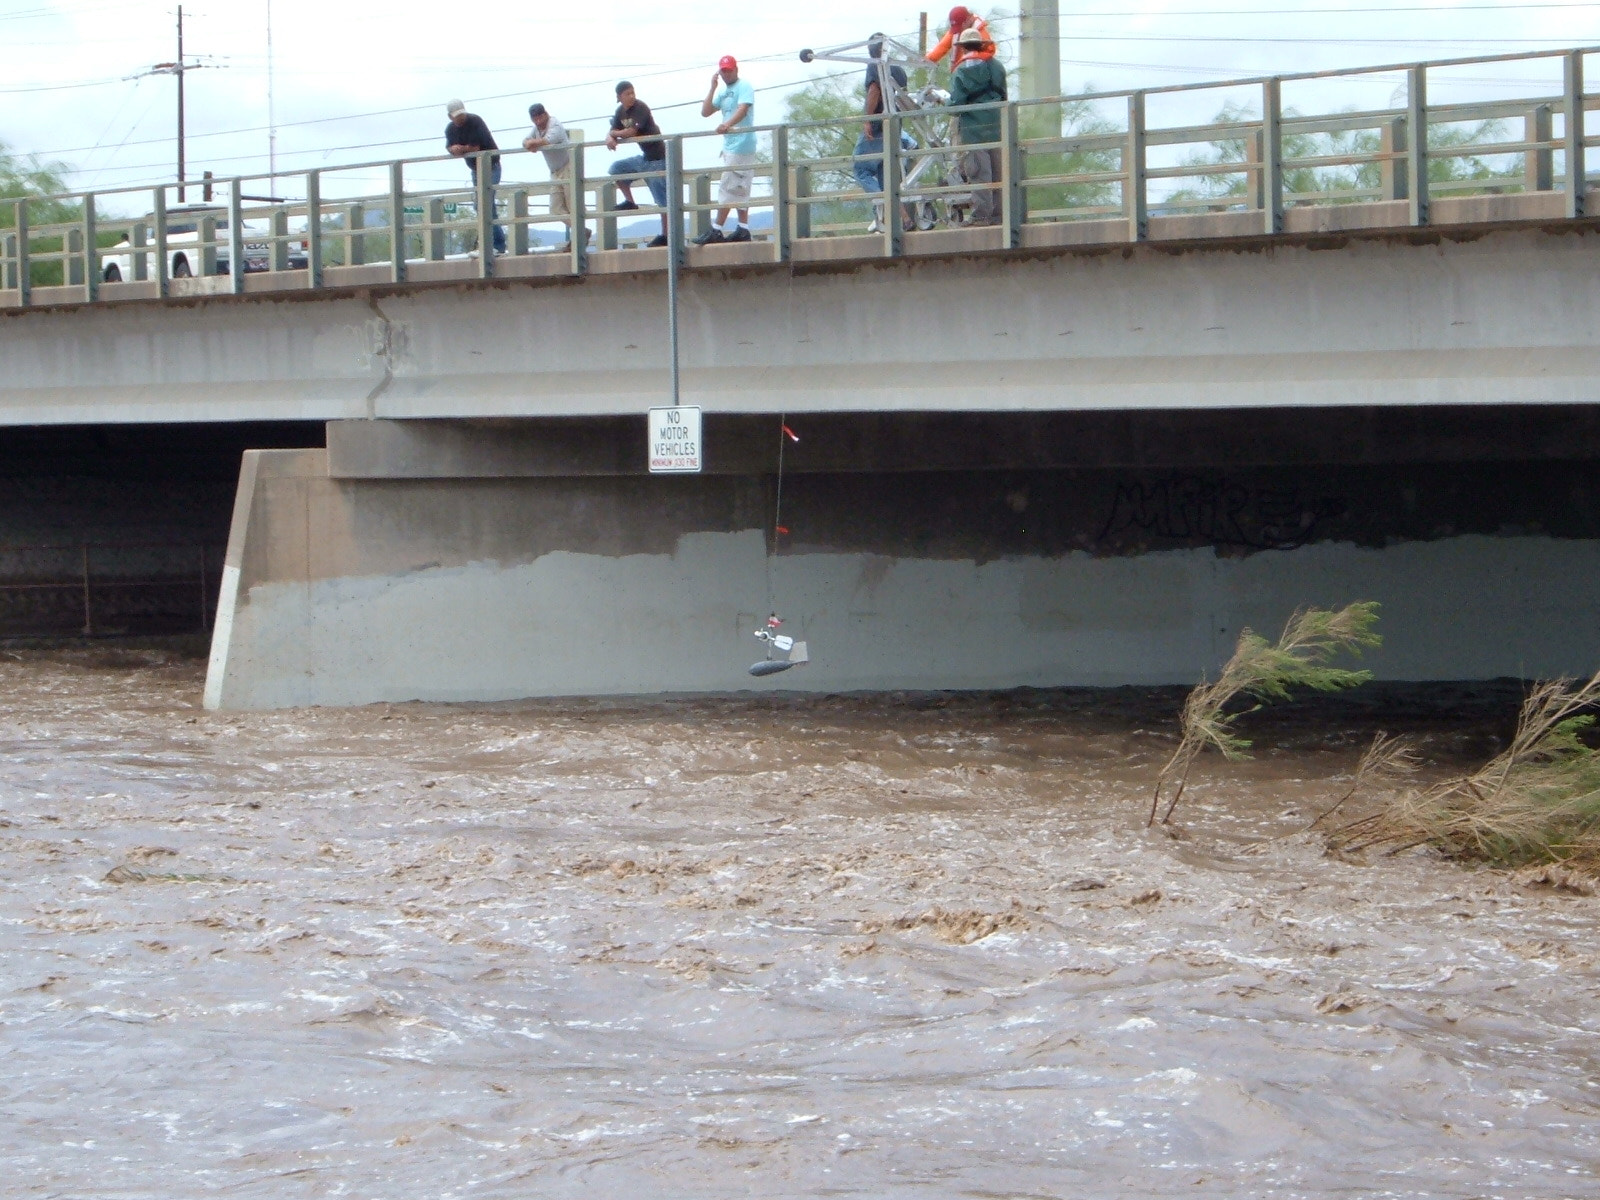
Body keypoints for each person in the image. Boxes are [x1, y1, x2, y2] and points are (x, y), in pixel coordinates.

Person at [851, 33, 916, 233]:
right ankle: (904, 218)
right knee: (886, 177)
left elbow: (874, 91)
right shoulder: (898, 70)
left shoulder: (875, 65)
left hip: (879, 126)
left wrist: (869, 119)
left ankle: (885, 210)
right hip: (895, 128)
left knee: (860, 168)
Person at [692, 55, 757, 244]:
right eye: (723, 71)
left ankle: (717, 229)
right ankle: (743, 228)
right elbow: (705, 112)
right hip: (729, 144)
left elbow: (743, 109)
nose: (726, 74)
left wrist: (727, 124)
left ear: (736, 69)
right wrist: (712, 87)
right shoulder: (723, 91)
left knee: (728, 185)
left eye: (729, 70)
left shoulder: (744, 86)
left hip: (742, 143)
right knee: (739, 186)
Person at [947, 25, 1007, 226]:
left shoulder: (961, 71)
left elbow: (954, 106)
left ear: (962, 47)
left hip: (974, 131)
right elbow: (1004, 95)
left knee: (979, 173)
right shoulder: (996, 66)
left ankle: (981, 216)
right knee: (999, 173)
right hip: (998, 127)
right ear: (982, 45)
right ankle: (1000, 216)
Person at [607, 81, 669, 248]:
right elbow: (612, 131)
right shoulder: (620, 111)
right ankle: (630, 201)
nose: (632, 96)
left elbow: (631, 132)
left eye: (633, 92)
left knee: (663, 201)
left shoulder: (641, 107)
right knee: (615, 169)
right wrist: (610, 136)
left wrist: (614, 133)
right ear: (619, 97)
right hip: (644, 158)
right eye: (627, 94)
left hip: (658, 158)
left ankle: (666, 235)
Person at [445, 99, 505, 255]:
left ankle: (495, 245)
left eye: (462, 114)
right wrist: (454, 149)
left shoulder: (475, 121)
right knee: (483, 206)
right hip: (475, 169)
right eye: (457, 116)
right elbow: (449, 147)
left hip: (491, 167)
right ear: (450, 117)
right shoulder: (450, 129)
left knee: (485, 204)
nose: (460, 118)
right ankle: (495, 244)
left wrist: (461, 149)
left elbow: (476, 146)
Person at [925, 6, 994, 69]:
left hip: (978, 74)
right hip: (959, 74)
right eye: (956, 28)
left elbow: (989, 53)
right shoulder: (956, 30)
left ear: (968, 20)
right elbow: (942, 47)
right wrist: (927, 60)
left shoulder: (982, 35)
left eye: (960, 26)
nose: (958, 31)